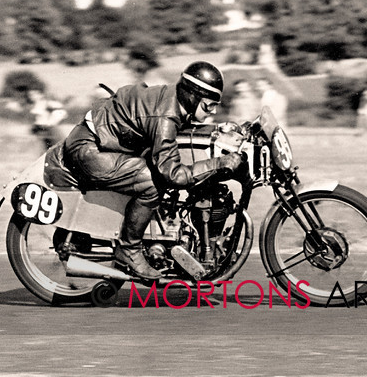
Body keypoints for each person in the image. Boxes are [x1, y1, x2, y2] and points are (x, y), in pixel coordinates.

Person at [54, 61, 245, 280]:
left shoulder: (175, 102)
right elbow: (172, 174)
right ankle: (129, 250)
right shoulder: (166, 117)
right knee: (151, 183)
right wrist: (218, 164)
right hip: (90, 149)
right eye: (208, 105)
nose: (212, 111)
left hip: (105, 142)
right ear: (192, 96)